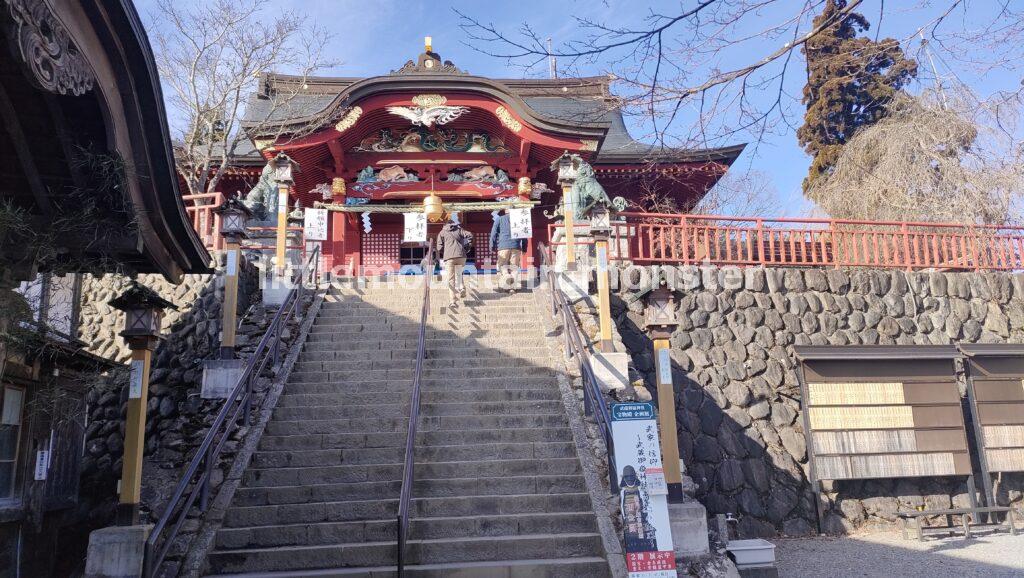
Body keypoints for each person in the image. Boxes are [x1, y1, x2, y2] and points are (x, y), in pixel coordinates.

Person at [436, 218, 473, 306]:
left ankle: (453, 301)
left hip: (449, 258)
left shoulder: (442, 232)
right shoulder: (459, 229)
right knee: (459, 273)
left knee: (451, 279)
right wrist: (467, 247)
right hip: (461, 256)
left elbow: (439, 248)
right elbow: (470, 235)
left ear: (445, 225)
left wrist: (445, 251)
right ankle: (462, 287)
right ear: (454, 224)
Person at [490, 209, 526, 292]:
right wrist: (524, 248)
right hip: (516, 246)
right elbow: (524, 234)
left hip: (503, 246)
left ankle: (506, 276)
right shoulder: (519, 220)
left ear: (505, 211)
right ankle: (512, 287)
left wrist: (492, 246)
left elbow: (493, 233)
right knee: (514, 267)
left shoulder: (499, 219)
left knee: (502, 265)